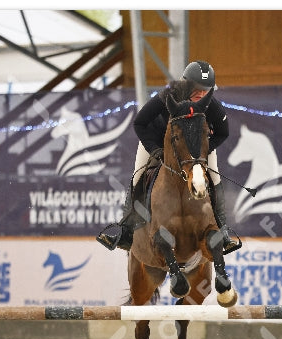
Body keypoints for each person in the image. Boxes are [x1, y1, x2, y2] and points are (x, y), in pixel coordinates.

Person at [97, 60, 240, 254]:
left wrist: (202, 152)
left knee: (215, 179)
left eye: (206, 90)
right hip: (156, 142)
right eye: (197, 89)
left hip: (194, 151)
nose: (202, 94)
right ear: (186, 84)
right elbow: (140, 123)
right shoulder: (168, 96)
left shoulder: (210, 104)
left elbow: (223, 133)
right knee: (138, 175)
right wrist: (155, 149)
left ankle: (222, 231)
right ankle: (126, 231)